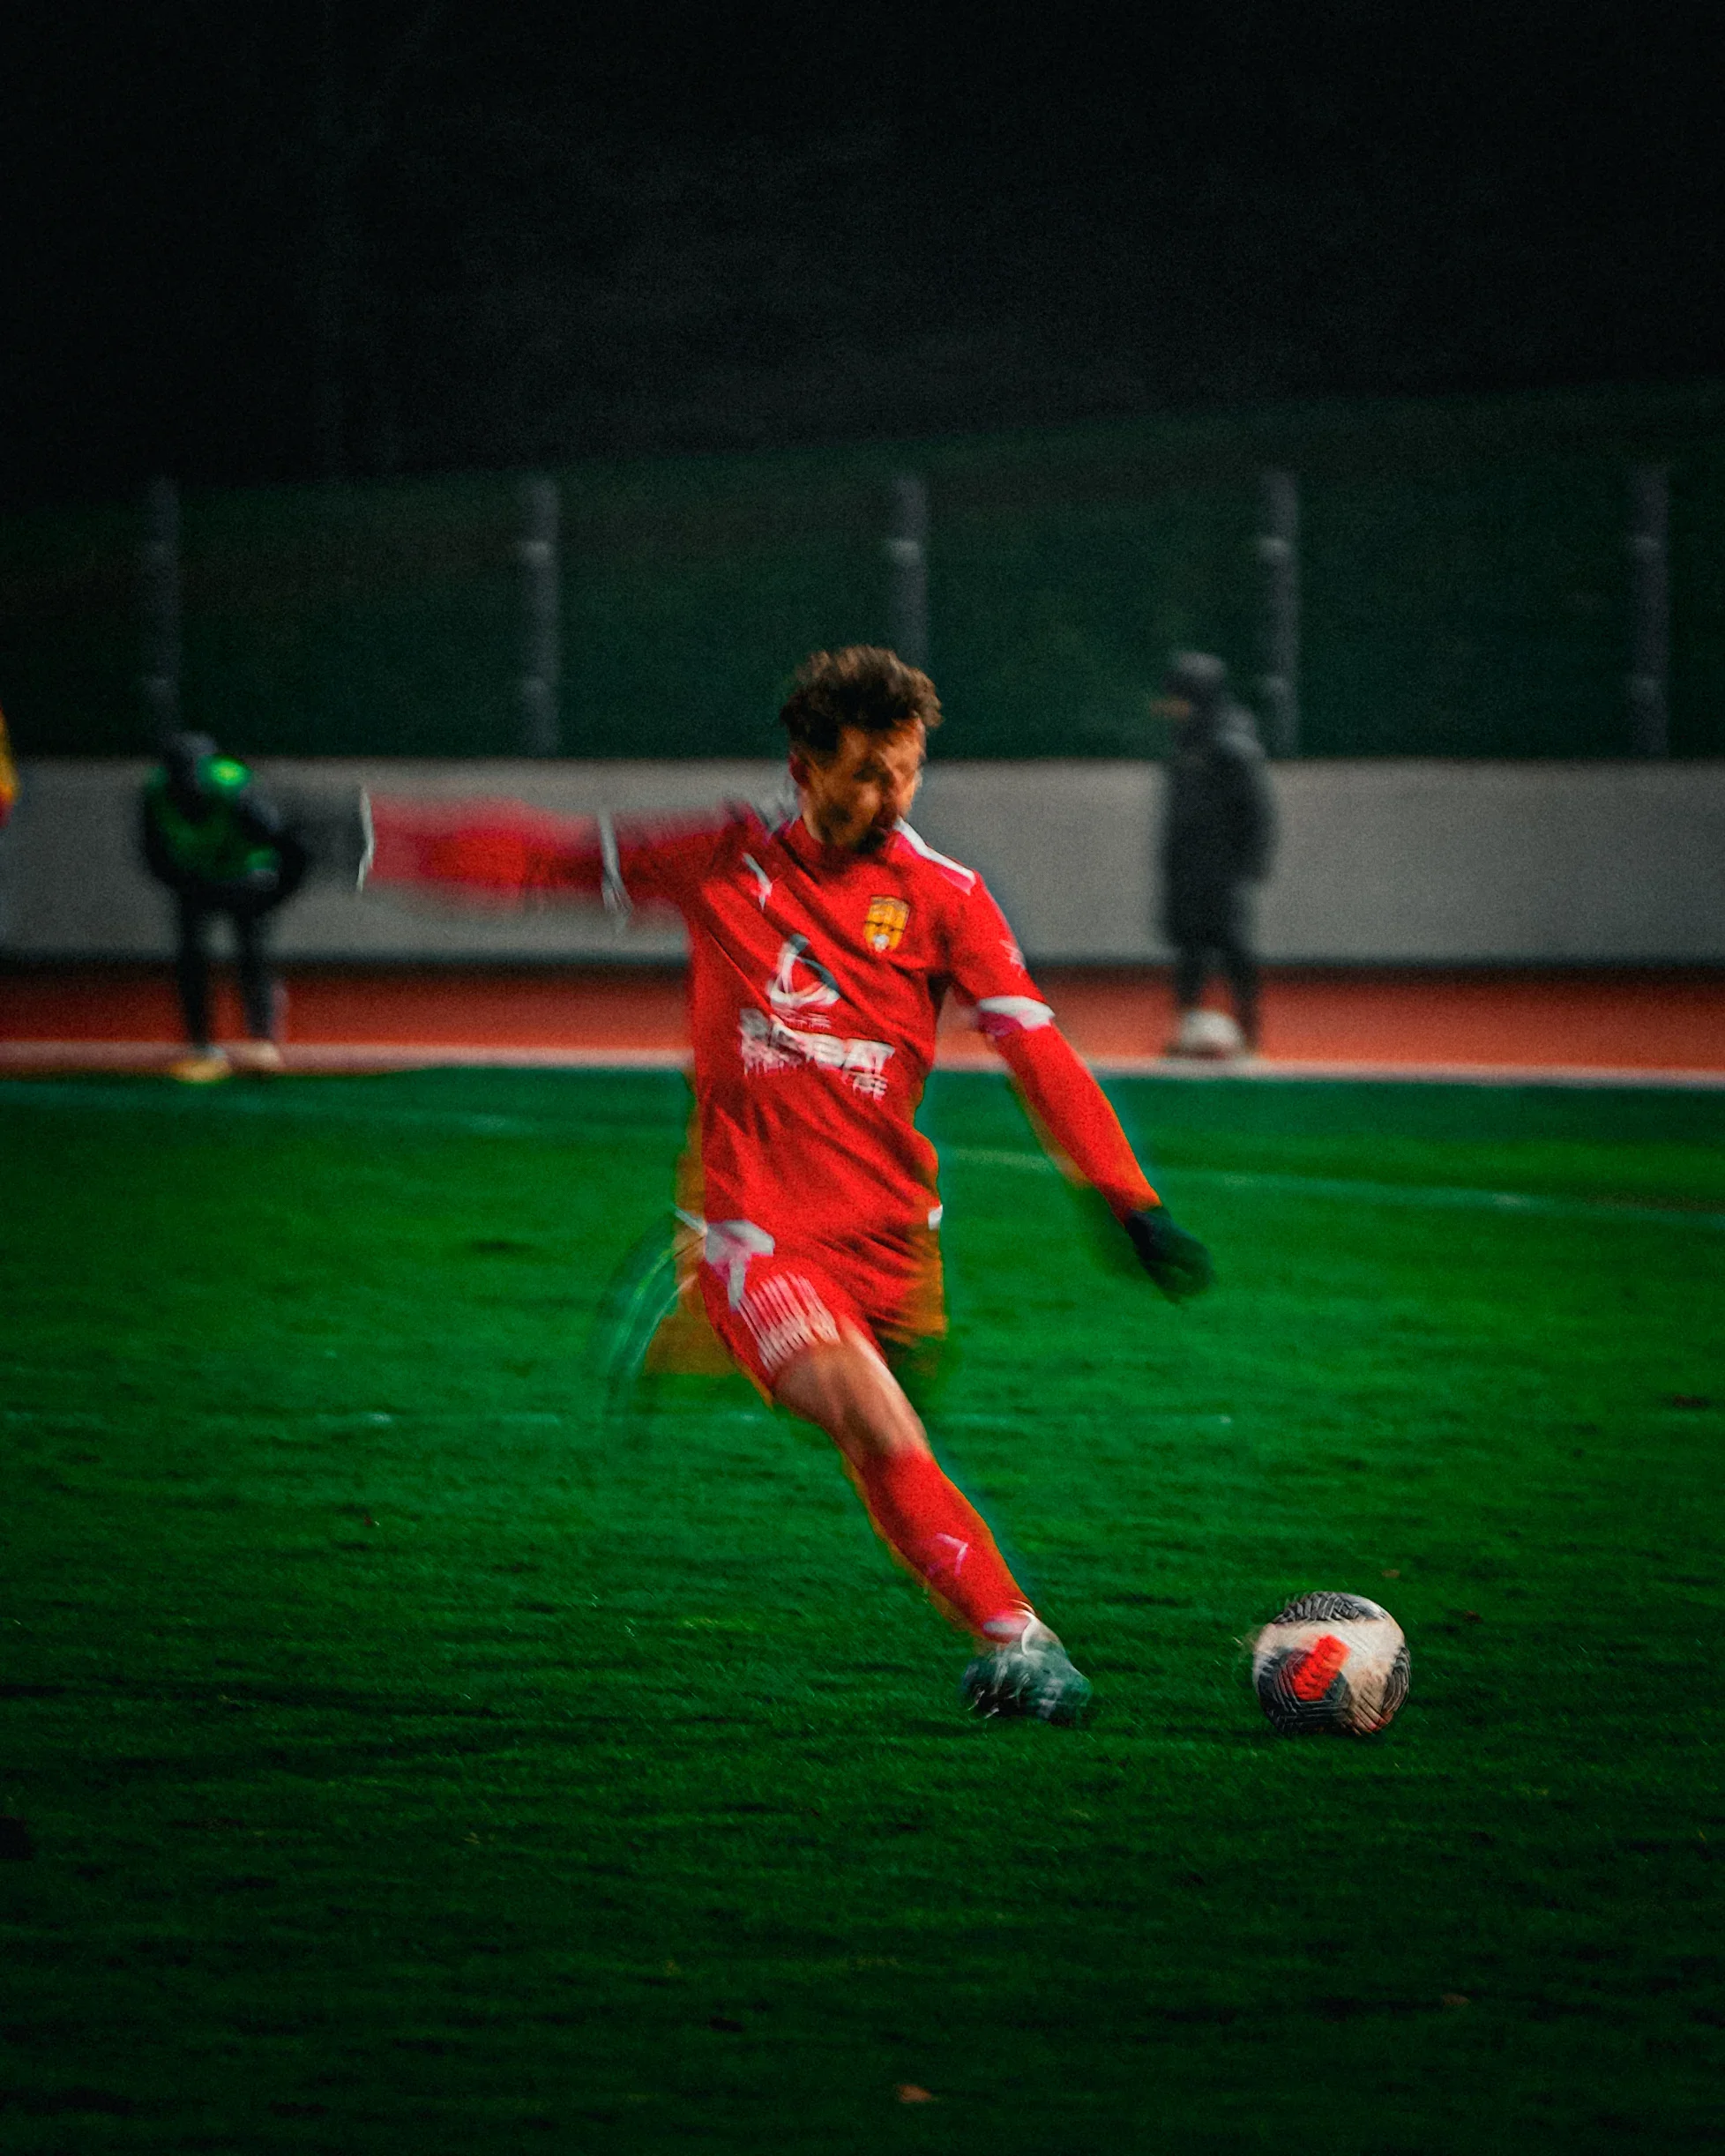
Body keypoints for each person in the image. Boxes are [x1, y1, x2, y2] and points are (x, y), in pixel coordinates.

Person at [364, 647, 1212, 1725]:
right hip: (758, 1237)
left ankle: (705, 1340)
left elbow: (1036, 1051)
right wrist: (376, 838)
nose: (886, 796)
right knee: (875, 1422)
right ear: (803, 767)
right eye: (861, 771)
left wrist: (1125, 1196)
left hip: (893, 1240)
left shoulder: (948, 900)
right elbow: (552, 861)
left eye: (903, 770)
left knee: (888, 1431)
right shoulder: (721, 861)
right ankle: (1023, 1644)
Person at [139, 732, 309, 1083]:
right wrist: (182, 884)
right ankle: (201, 1046)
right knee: (191, 957)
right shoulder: (156, 792)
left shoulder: (237, 793)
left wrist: (275, 896)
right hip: (195, 877)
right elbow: (153, 854)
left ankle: (261, 1041)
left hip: (246, 875)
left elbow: (291, 847)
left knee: (251, 952)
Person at [1157, 653, 1276, 1057]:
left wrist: (1249, 864)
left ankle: (1249, 1029)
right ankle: (1185, 1028)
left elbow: (1256, 810)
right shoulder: (1185, 740)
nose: (1173, 704)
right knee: (1190, 950)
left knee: (1232, 948)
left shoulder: (1231, 744)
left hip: (1222, 870)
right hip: (1188, 867)